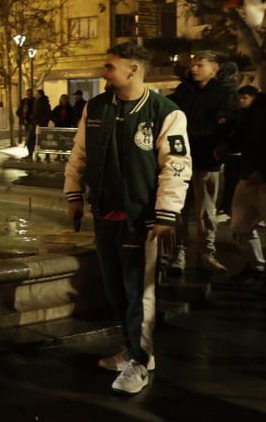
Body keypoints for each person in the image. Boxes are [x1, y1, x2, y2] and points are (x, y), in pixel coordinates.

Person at [64, 42, 190, 395]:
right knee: (115, 289)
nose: (103, 72)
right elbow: (79, 154)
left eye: (110, 66)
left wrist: (166, 213)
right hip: (105, 214)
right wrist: (74, 194)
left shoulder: (166, 112)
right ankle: (132, 348)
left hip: (141, 218)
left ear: (133, 69)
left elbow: (176, 166)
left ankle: (140, 360)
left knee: (139, 291)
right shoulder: (97, 107)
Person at [167, 51, 238, 275]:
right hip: (180, 159)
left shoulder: (226, 93)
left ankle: (205, 253)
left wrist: (221, 149)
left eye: (200, 65)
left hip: (207, 160)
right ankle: (178, 253)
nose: (194, 68)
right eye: (193, 64)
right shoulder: (184, 90)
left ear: (214, 69)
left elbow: (229, 126)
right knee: (178, 208)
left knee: (206, 211)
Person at [226, 85, 266, 281]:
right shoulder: (249, 114)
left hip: (258, 176)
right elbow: (242, 138)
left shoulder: (258, 113)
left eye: (245, 98)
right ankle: (256, 266)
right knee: (240, 226)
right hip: (248, 175)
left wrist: (262, 170)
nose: (241, 101)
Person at [27, 89, 52, 157]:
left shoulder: (41, 102)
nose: (35, 95)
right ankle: (37, 155)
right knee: (38, 140)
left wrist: (34, 118)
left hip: (38, 124)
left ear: (40, 95)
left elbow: (41, 114)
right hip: (38, 124)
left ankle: (32, 155)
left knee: (33, 140)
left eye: (36, 94)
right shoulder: (39, 101)